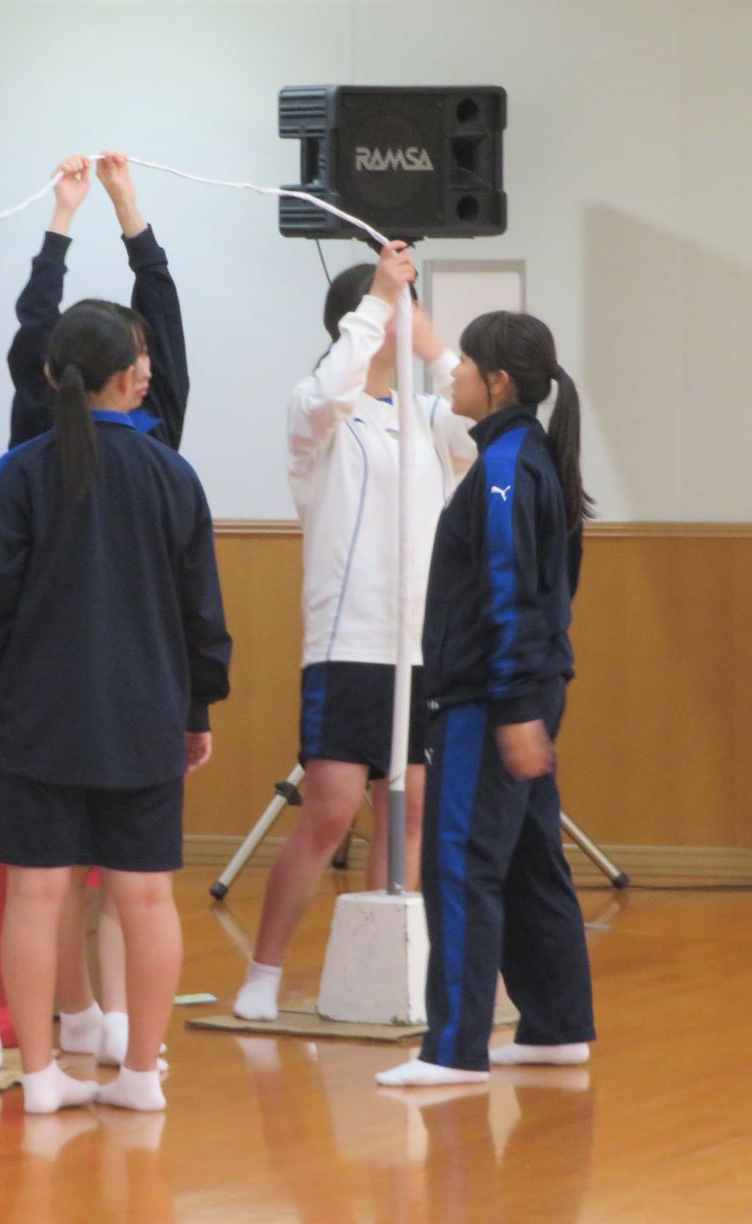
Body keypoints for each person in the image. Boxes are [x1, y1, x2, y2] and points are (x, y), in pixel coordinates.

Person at [0, 304, 231, 1113]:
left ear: (52, 375)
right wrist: (198, 709)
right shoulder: (173, 475)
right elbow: (202, 614)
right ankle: (140, 1076)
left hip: (39, 716)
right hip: (146, 715)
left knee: (36, 896)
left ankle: (42, 1074)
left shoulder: (19, 473)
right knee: (145, 898)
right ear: (130, 376)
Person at [233, 242, 476, 1022]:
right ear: (358, 323)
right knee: (332, 809)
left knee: (406, 812)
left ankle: (383, 972)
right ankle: (263, 973)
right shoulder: (321, 415)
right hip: (349, 645)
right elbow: (327, 391)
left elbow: (486, 424)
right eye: (391, 312)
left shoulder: (431, 418)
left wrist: (431, 344)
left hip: (422, 648)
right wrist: (377, 302)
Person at [377, 311, 596, 1088]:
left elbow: (510, 592)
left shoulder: (505, 467)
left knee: (461, 864)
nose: (457, 374)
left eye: (466, 363)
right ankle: (556, 1028)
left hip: (490, 700)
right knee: (531, 859)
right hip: (522, 690)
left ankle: (454, 1047)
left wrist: (513, 707)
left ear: (498, 382)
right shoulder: (526, 457)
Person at [6, 151, 189, 1066]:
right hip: (76, 689)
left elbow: (164, 321)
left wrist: (125, 209)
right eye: (134, 356)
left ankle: (116, 1024)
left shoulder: (161, 443)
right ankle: (83, 1017)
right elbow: (36, 330)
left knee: (118, 881)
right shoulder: (39, 436)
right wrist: (64, 219)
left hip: (113, 689)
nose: (147, 367)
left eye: (147, 355)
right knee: (63, 880)